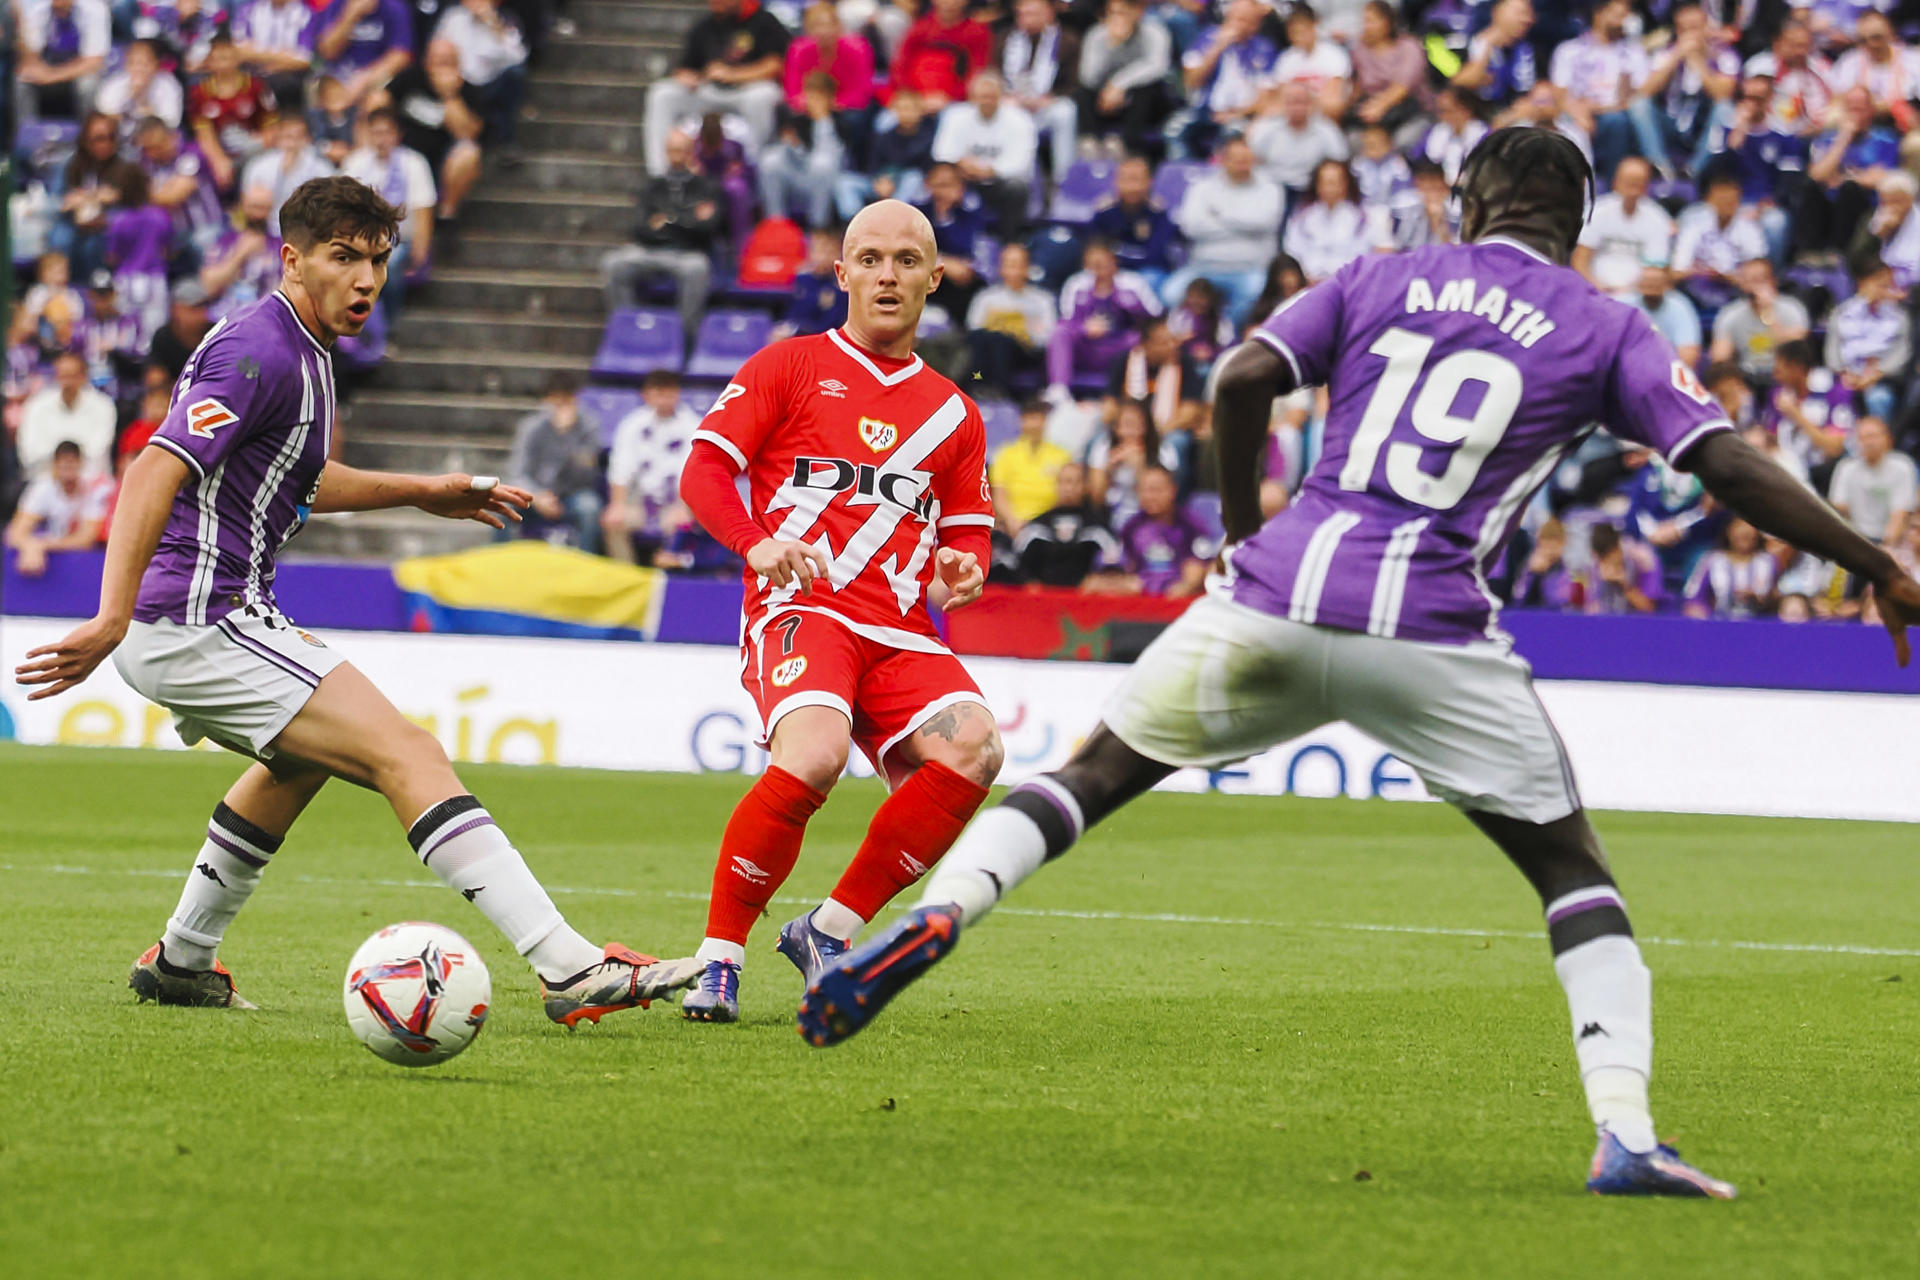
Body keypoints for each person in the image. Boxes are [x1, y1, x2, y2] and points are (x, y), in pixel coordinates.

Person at [799, 127, 1920, 1200]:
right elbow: (1721, 463)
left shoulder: (1384, 273)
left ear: (1471, 201)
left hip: (1273, 593)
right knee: (1572, 869)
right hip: (1434, 631)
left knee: (1086, 776)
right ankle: (1624, 1129)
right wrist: (1872, 559)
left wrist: (1241, 533)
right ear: (1576, 228)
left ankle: (943, 912)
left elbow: (1241, 378)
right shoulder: (1606, 323)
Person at [14, 176, 698, 1018]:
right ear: (291, 258)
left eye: (377, 258)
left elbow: (297, 474)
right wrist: (111, 616)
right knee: (406, 753)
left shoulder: (303, 349)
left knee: (299, 761)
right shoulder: (260, 350)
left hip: (214, 614)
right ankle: (568, 967)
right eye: (344, 257)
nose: (366, 279)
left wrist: (419, 490)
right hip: (197, 617)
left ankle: (182, 960)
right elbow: (154, 465)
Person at [671, 199, 1002, 1023]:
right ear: (842, 272)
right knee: (814, 755)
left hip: (897, 629)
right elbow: (704, 472)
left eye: (906, 260)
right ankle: (718, 958)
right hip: (803, 607)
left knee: (977, 749)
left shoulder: (956, 415)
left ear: (934, 278)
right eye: (871, 258)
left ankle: (829, 929)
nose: (887, 275)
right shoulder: (787, 365)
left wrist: (966, 566)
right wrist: (753, 542)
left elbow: (966, 534)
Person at [600, 129, 724, 343]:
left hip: (687, 253)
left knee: (698, 269)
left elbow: (708, 228)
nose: (677, 154)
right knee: (613, 264)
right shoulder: (652, 186)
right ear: (666, 152)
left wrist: (667, 220)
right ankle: (627, 331)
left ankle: (684, 339)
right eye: (673, 150)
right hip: (649, 250)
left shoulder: (706, 187)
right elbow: (639, 228)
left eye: (682, 149)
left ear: (691, 151)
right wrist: (687, 219)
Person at [644, 0, 792, 173]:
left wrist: (733, 74)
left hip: (747, 91)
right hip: (709, 91)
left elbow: (776, 65)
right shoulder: (704, 26)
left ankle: (756, 172)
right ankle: (660, 174)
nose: (717, 4)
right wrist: (688, 77)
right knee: (663, 94)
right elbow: (684, 68)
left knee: (764, 96)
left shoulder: (764, 21)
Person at [1163, 135, 1282, 322]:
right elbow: (1191, 227)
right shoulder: (1202, 188)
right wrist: (1244, 225)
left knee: (1257, 294)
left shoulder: (1270, 188)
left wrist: (1219, 215)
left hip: (1250, 269)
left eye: (1246, 158)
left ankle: (1228, 336)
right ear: (1223, 160)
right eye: (1236, 158)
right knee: (1171, 294)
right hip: (1202, 267)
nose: (1242, 163)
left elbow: (1263, 223)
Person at [1548, 0, 1670, 181]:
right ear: (1599, 14)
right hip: (1577, 115)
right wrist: (1578, 113)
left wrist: (1606, 107)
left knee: (1619, 120)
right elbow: (1559, 95)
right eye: (1617, 15)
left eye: (1625, 16)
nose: (1622, 22)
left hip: (1618, 113)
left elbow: (1639, 95)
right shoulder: (1569, 50)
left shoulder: (1633, 52)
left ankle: (1622, 178)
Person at [341, 107, 437, 323]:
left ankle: (390, 322)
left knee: (388, 265)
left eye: (386, 133)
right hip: (359, 240)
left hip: (400, 241)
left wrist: (421, 249)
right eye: (376, 133)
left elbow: (423, 209)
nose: (381, 139)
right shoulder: (355, 162)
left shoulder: (414, 163)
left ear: (397, 134)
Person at [604, 371, 701, 564]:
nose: (664, 400)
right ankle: (628, 576)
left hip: (676, 502)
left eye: (669, 394)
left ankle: (667, 575)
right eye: (659, 394)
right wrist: (617, 504)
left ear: (678, 394)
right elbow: (621, 467)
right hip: (639, 501)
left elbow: (691, 471)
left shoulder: (693, 425)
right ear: (646, 395)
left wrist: (683, 507)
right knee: (613, 522)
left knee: (680, 523)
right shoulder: (632, 424)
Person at [1047, 239, 1163, 399]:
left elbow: (1156, 319)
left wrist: (1133, 306)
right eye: (1093, 265)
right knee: (1059, 333)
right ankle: (1058, 390)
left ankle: (1138, 393)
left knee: (1139, 339)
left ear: (1114, 261)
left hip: (1119, 348)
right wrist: (1084, 328)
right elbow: (1065, 322)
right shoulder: (1076, 284)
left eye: (1102, 263)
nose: (1098, 269)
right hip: (1086, 349)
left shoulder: (1133, 283)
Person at [502, 372, 604, 551]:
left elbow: (588, 475)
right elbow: (517, 471)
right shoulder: (531, 427)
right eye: (556, 402)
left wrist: (565, 437)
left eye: (567, 401)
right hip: (533, 494)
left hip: (571, 495)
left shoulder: (589, 427)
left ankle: (587, 564)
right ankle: (498, 562)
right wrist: (536, 497)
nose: (561, 408)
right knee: (501, 504)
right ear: (547, 400)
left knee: (590, 508)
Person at [932, 71, 1036, 236]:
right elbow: (941, 151)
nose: (986, 101)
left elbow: (1022, 161)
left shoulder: (1020, 120)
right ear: (972, 97)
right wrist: (961, 163)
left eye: (991, 96)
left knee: (1018, 188)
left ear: (1001, 96)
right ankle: (951, 242)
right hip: (965, 179)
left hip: (999, 182)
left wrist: (990, 170)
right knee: (942, 182)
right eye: (982, 96)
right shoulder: (955, 115)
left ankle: (1008, 241)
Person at [1076, 0, 1174, 160]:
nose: (1117, 18)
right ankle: (1089, 142)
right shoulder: (1097, 35)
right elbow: (1088, 77)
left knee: (1147, 89)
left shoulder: (1155, 32)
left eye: (1122, 13)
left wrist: (1119, 84)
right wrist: (1111, 45)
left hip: (1145, 103)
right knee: (1082, 93)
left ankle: (1128, 147)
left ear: (1138, 12)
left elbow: (1158, 66)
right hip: (1106, 101)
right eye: (1112, 13)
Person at [1178, 0, 1277, 157]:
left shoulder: (1263, 48)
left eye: (1243, 20)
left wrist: (1237, 114)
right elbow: (1191, 82)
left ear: (1255, 25)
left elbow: (1265, 97)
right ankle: (1181, 176)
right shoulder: (1206, 38)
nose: (1235, 24)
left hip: (1241, 115)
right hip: (1204, 110)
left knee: (1232, 133)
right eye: (1233, 18)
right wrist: (1217, 48)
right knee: (1174, 130)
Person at [998, 0, 1081, 181]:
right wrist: (1006, 96)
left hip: (1046, 107)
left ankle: (1064, 181)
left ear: (1050, 13)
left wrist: (1051, 98)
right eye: (1022, 14)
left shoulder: (1067, 40)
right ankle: (1022, 185)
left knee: (1066, 111)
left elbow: (1074, 84)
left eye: (1032, 13)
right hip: (1013, 106)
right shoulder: (1005, 38)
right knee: (1007, 113)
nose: (1026, 19)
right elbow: (993, 75)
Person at [5, 439, 110, 576]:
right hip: (47, 560)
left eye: (72, 464)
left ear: (81, 464)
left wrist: (44, 545)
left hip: (80, 565)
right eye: (64, 465)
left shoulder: (92, 491)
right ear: (55, 465)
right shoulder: (42, 489)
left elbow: (87, 538)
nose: (68, 470)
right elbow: (15, 532)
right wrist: (30, 546)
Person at [1573, 158, 1674, 300]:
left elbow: (1657, 269)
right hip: (1594, 291)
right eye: (1628, 183)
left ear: (1646, 187)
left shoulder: (1658, 219)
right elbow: (1580, 260)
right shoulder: (1596, 211)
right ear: (1615, 183)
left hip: (1640, 296)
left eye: (1638, 184)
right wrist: (1595, 286)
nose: (1632, 190)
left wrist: (1631, 291)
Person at [430, 0, 528, 146]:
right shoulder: (452, 17)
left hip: (490, 83)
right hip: (460, 82)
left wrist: (495, 26)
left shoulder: (504, 18)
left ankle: (505, 140)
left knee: (516, 74)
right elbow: (436, 50)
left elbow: (518, 57)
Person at [1012, 460, 1124, 586]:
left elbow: (1115, 563)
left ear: (1086, 486)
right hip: (1043, 599)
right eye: (1065, 482)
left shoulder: (1097, 526)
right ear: (1056, 485)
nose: (1069, 488)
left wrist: (1099, 580)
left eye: (1076, 482)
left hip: (1086, 599)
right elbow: (1016, 563)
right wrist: (1030, 583)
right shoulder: (1037, 526)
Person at [966, 242, 1056, 397]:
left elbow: (1046, 338)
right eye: (1009, 265)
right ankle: (976, 386)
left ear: (1027, 268)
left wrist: (1026, 330)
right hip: (989, 350)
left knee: (1001, 340)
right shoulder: (986, 297)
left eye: (1018, 265)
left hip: (1025, 352)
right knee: (986, 338)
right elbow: (973, 329)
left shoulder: (1042, 300)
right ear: (1001, 268)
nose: (1013, 271)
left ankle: (999, 392)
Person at [1707, 257, 1809, 383]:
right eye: (1747, 280)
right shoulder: (1730, 314)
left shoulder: (1793, 309)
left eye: (1758, 280)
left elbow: (1796, 352)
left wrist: (1767, 312)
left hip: (1783, 377)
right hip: (1746, 377)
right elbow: (1719, 358)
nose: (1753, 287)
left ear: (1772, 281)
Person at [1282, 158, 1381, 286]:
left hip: (1346, 285)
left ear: (1345, 184)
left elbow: (1364, 257)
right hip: (1308, 284)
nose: (1329, 188)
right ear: (1317, 185)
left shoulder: (1362, 220)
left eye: (1333, 182)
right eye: (1324, 182)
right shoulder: (1302, 219)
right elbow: (1293, 252)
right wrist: (1305, 277)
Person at [17, 352, 117, 479]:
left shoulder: (103, 406)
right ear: (55, 377)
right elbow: (29, 454)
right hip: (44, 482)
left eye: (73, 376)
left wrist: (59, 459)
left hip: (90, 485)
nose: (68, 383)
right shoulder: (36, 406)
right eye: (63, 376)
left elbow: (97, 454)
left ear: (83, 377)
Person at [1247, 80, 1348, 202]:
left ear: (1311, 104)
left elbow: (1340, 162)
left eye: (1301, 102)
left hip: (1311, 191)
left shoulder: (1327, 131)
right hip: (1272, 189)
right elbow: (1251, 158)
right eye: (1291, 102)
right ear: (1283, 104)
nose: (1296, 107)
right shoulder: (1267, 127)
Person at [1088, 155, 1178, 290]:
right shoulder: (1104, 212)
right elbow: (1095, 249)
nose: (1131, 187)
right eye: (1125, 179)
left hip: (1147, 271)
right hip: (1110, 270)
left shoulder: (1159, 212)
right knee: (1086, 280)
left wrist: (1117, 259)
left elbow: (1155, 256)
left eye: (1136, 179)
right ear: (1115, 182)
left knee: (1148, 280)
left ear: (1149, 182)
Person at [1115, 464, 1207, 595]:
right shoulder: (1131, 527)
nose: (1150, 496)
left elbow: (1196, 570)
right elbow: (1127, 568)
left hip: (1178, 596)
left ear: (1173, 490)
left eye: (1156, 490)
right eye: (1144, 490)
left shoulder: (1190, 525)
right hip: (1141, 597)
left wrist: (1185, 586)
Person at [13, 0, 110, 123]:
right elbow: (31, 56)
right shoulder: (39, 9)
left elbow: (94, 62)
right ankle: (27, 134)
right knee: (21, 82)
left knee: (87, 84)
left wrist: (52, 76)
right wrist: (35, 68)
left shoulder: (95, 9)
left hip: (76, 75)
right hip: (48, 69)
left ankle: (85, 135)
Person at [889, 0, 992, 112]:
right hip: (914, 102)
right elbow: (900, 67)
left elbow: (976, 72)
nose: (950, 3)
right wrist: (914, 97)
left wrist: (951, 97)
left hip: (956, 104)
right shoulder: (918, 28)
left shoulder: (977, 32)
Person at [1830, 417, 1917, 548]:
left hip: (1891, 544)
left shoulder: (1902, 466)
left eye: (1873, 436)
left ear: (1888, 438)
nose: (1868, 442)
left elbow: (1900, 515)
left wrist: (1885, 549)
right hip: (1855, 540)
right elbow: (1839, 509)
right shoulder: (1846, 468)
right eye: (1862, 438)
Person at [314, 0, 416, 110]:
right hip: (336, 77)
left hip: (375, 78)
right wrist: (351, 15)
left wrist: (365, 80)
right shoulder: (336, 4)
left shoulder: (395, 7)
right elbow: (327, 51)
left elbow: (400, 56)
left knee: (377, 100)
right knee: (322, 96)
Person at [989, 398, 1072, 530]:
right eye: (1032, 418)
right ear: (1021, 421)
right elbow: (999, 494)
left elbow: (1067, 492)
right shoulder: (1005, 454)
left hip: (1049, 523)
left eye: (1041, 418)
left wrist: (1042, 522)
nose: (1037, 424)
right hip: (1012, 523)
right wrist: (1012, 521)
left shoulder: (1062, 455)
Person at [1683, 518, 1776, 618]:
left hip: (1760, 623)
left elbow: (1778, 595)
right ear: (1728, 531)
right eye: (1738, 527)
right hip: (1720, 622)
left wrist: (1759, 598)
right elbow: (1694, 596)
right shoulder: (1713, 560)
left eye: (1749, 528)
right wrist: (1700, 610)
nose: (1744, 532)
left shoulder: (1768, 562)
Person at [1632, 263, 1703, 369]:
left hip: (1667, 370)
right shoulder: (1624, 304)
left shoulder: (1680, 306)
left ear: (1667, 285)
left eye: (1655, 282)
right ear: (1638, 284)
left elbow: (1688, 353)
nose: (1651, 286)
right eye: (1647, 282)